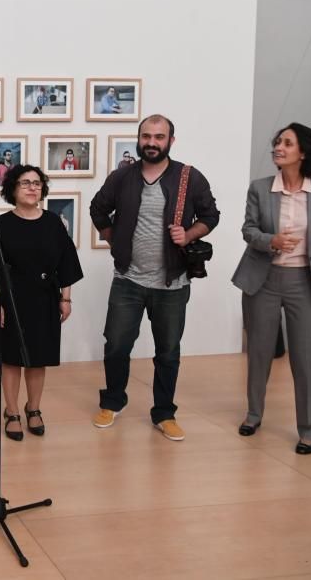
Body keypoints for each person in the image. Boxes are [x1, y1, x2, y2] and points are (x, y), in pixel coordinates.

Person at [89, 114, 220, 441]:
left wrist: (189, 235)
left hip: (172, 283)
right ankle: (113, 401)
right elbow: (97, 208)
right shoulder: (122, 177)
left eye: (159, 137)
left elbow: (210, 215)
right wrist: (112, 237)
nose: (151, 142)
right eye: (146, 136)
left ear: (170, 141)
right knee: (116, 345)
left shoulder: (189, 178)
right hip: (128, 280)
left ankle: (164, 413)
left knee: (168, 352)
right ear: (139, 138)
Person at [231, 123, 311, 454]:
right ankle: (254, 414)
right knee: (258, 354)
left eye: (287, 143)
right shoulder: (260, 188)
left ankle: (309, 429)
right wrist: (273, 241)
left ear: (303, 152)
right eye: (277, 142)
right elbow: (248, 230)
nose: (278, 147)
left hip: (305, 283)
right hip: (263, 281)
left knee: (307, 360)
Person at [0, 165, 83, 440]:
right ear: (12, 189)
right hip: (11, 300)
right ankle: (11, 412)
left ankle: (34, 409)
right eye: (25, 183)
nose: (33, 188)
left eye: (37, 183)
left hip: (45, 299)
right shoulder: (0, 225)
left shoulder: (53, 223)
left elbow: (66, 263)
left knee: (38, 360)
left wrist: (66, 298)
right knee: (10, 360)